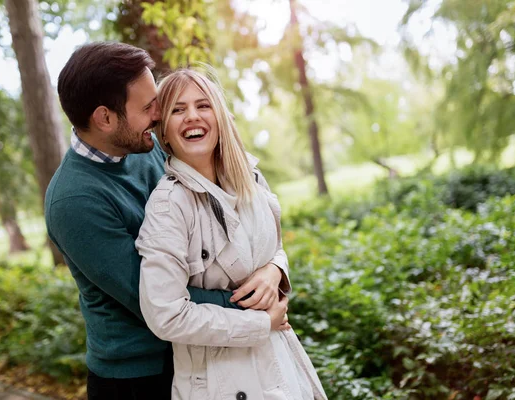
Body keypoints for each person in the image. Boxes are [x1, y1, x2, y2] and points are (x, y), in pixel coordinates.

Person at [45, 42, 289, 400]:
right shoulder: (73, 202)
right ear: (105, 118)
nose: (159, 116)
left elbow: (229, 231)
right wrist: (256, 308)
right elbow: (150, 297)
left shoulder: (145, 146)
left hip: (201, 353)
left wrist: (273, 270)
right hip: (138, 376)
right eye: (148, 107)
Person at [136, 68, 328, 399]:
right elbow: (165, 315)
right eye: (177, 110)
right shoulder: (169, 204)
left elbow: (274, 247)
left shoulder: (250, 179)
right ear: (163, 132)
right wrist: (259, 324)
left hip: (278, 363)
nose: (192, 117)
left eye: (203, 105)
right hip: (219, 381)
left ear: (220, 116)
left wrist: (274, 270)